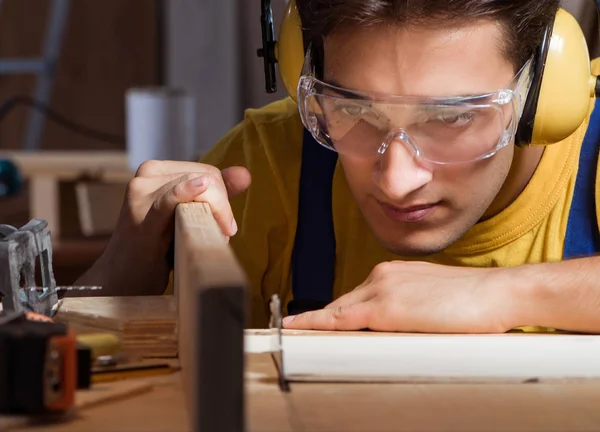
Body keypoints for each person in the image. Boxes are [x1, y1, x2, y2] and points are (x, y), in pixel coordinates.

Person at [77, 0, 600, 334]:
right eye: (354, 111)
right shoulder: (270, 165)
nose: (398, 181)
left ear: (541, 94)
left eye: (455, 116)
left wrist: (504, 293)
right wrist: (130, 265)